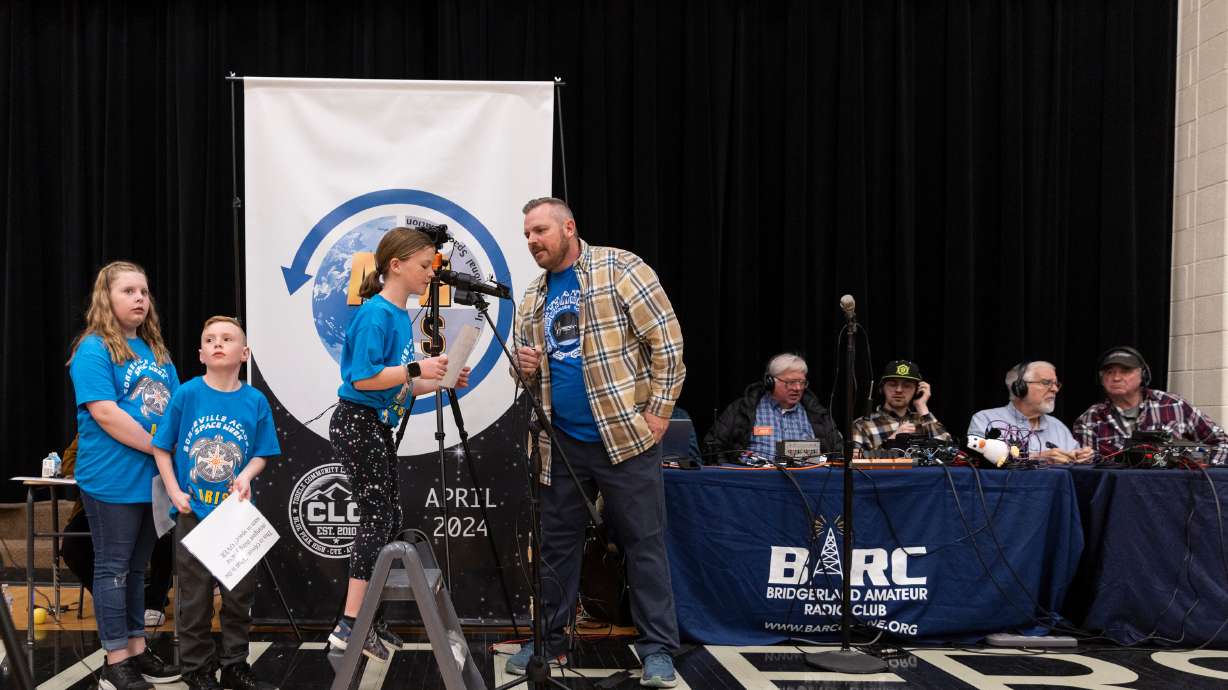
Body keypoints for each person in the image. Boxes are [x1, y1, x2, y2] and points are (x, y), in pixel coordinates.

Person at [508, 197, 685, 688]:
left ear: (569, 228)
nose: (532, 241)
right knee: (556, 547)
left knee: (644, 544)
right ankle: (549, 641)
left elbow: (668, 345)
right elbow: (524, 374)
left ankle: (658, 650)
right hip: (561, 443)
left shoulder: (619, 268)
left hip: (624, 438)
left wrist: (659, 412)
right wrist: (522, 368)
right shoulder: (533, 296)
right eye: (527, 235)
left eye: (540, 231)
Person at [324, 227, 465, 662]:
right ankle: (350, 625)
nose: (431, 274)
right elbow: (363, 378)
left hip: (374, 423)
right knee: (377, 516)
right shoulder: (376, 315)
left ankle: (370, 617)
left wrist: (439, 380)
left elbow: (398, 384)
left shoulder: (400, 316)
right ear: (396, 265)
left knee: (390, 516)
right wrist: (418, 368)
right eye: (424, 265)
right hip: (358, 423)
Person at [67, 261, 181, 689]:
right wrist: (159, 446)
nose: (139, 299)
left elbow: (175, 410)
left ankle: (136, 650)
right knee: (113, 568)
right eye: (129, 291)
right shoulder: (93, 349)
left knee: (137, 569)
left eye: (144, 292)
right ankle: (115, 662)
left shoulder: (157, 352)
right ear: (107, 298)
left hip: (152, 481)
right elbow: (106, 414)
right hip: (111, 478)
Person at [152, 316, 280, 690]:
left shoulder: (255, 401)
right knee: (194, 598)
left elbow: (262, 453)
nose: (218, 344)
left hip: (235, 516)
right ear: (201, 354)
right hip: (193, 512)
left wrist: (246, 475)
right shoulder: (187, 395)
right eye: (210, 339)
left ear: (245, 353)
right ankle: (197, 668)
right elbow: (161, 447)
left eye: (227, 338)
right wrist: (174, 492)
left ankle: (235, 663)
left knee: (239, 595)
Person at [58, 435, 175, 628]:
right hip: (105, 498)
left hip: (151, 497)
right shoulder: (98, 425)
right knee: (73, 546)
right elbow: (70, 460)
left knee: (166, 536)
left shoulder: (158, 422)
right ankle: (112, 598)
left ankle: (154, 602)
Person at [1073, 346, 1228, 463]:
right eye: (1109, 372)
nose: (1116, 378)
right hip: (1120, 493)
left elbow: (1222, 443)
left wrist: (1194, 460)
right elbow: (1087, 469)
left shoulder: (1174, 405)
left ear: (1143, 375)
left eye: (1125, 371)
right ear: (1101, 379)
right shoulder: (1089, 419)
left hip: (1173, 489)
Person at [703, 353, 842, 460]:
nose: (798, 388)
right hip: (755, 482)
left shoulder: (817, 414)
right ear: (770, 382)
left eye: (802, 382)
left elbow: (838, 452)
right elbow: (713, 447)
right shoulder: (743, 409)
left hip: (807, 482)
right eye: (791, 382)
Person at [968, 361, 1093, 463]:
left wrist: (1079, 457)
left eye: (1056, 384)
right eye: (1046, 382)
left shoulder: (1058, 427)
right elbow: (978, 459)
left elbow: (1074, 466)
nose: (1055, 389)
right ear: (1019, 387)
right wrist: (1036, 457)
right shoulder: (986, 419)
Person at [851, 360, 952, 450]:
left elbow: (949, 450)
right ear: (881, 388)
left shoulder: (924, 420)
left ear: (917, 391)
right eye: (892, 384)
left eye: (907, 385)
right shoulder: (862, 425)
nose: (899, 390)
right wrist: (891, 442)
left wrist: (921, 406)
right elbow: (854, 461)